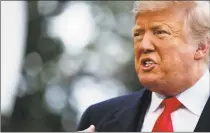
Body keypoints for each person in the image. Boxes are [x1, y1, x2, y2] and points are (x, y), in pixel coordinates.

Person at [77, 1, 210, 132]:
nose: (144, 45)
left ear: (201, 47)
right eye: (138, 34)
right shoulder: (98, 119)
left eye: (160, 32)